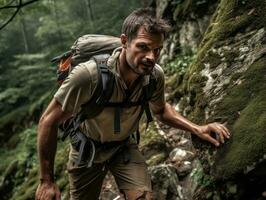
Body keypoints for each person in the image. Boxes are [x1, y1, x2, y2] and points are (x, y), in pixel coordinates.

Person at [35, 7, 230, 200]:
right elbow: (48, 121)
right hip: (87, 150)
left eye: (157, 50)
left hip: (124, 147)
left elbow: (161, 111)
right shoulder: (88, 75)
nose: (151, 57)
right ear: (124, 42)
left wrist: (197, 129)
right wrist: (46, 181)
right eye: (143, 47)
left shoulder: (155, 76)